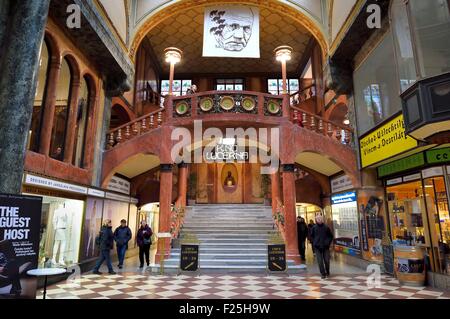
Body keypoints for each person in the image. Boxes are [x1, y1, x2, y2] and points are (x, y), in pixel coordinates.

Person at [311, 215, 334, 279]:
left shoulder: (326, 227)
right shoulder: (314, 228)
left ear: (322, 219)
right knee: (320, 261)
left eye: (320, 218)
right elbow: (311, 236)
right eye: (318, 219)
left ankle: (327, 271)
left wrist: (327, 243)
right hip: (317, 247)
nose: (319, 219)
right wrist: (314, 242)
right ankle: (323, 274)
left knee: (326, 260)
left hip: (325, 247)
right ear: (316, 220)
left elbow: (330, 236)